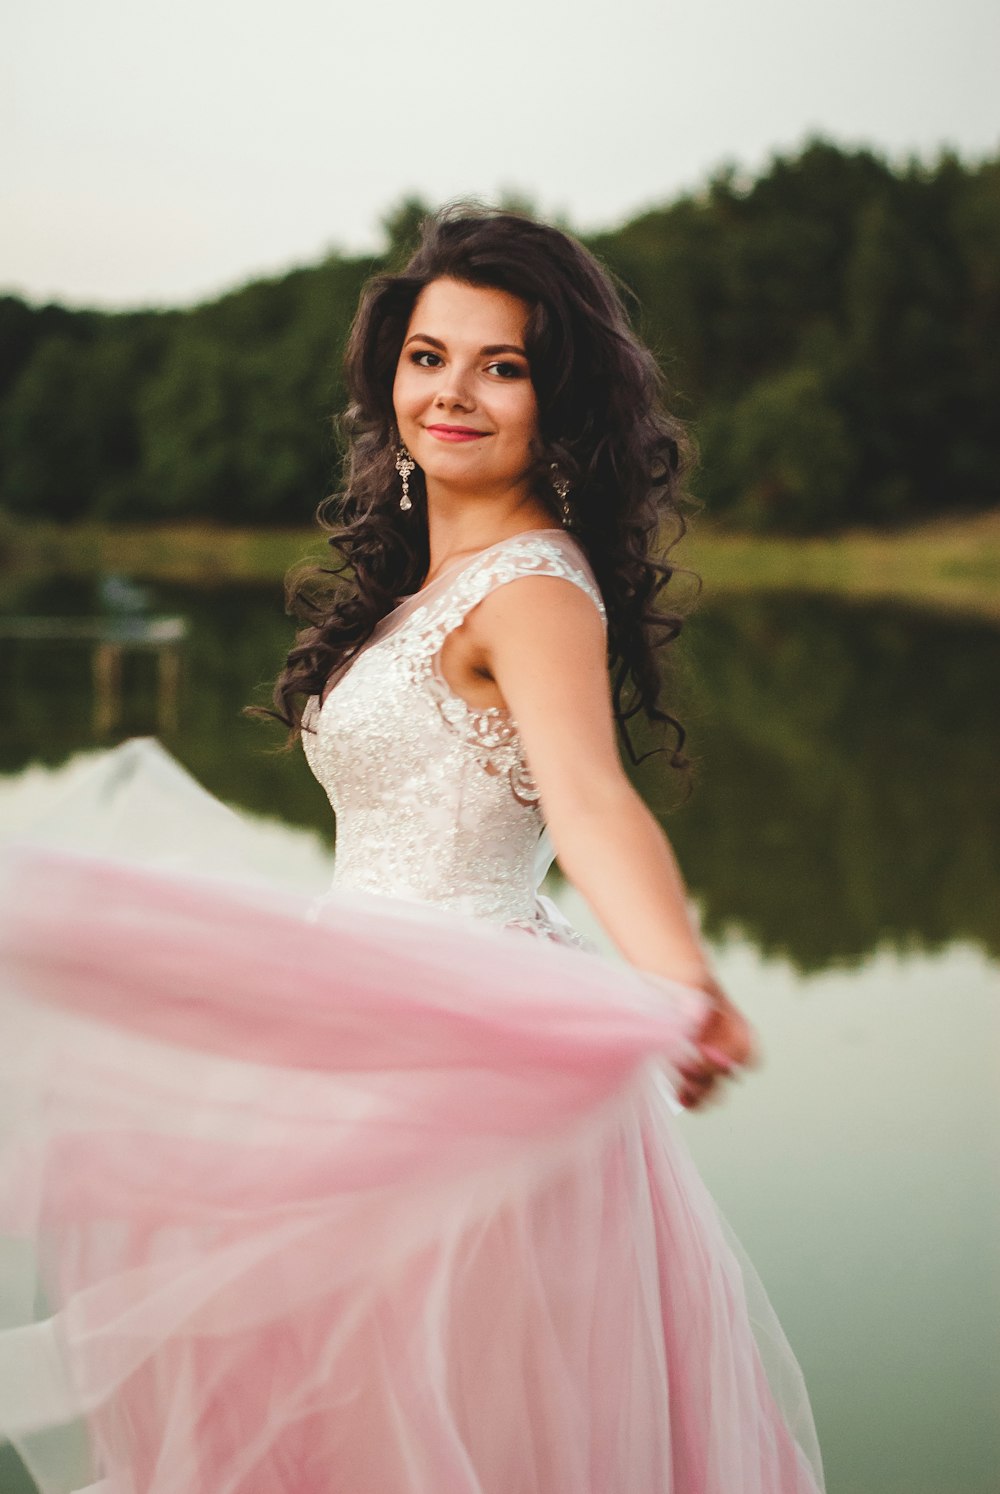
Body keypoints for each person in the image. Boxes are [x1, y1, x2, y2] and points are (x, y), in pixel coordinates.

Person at [0, 207, 824, 1493]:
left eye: (503, 365)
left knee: (443, 1423)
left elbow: (592, 801)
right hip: (358, 1030)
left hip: (463, 1063)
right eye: (429, 355)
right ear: (389, 377)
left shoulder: (534, 588)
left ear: (561, 401)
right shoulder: (428, 582)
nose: (455, 392)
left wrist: (681, 977)